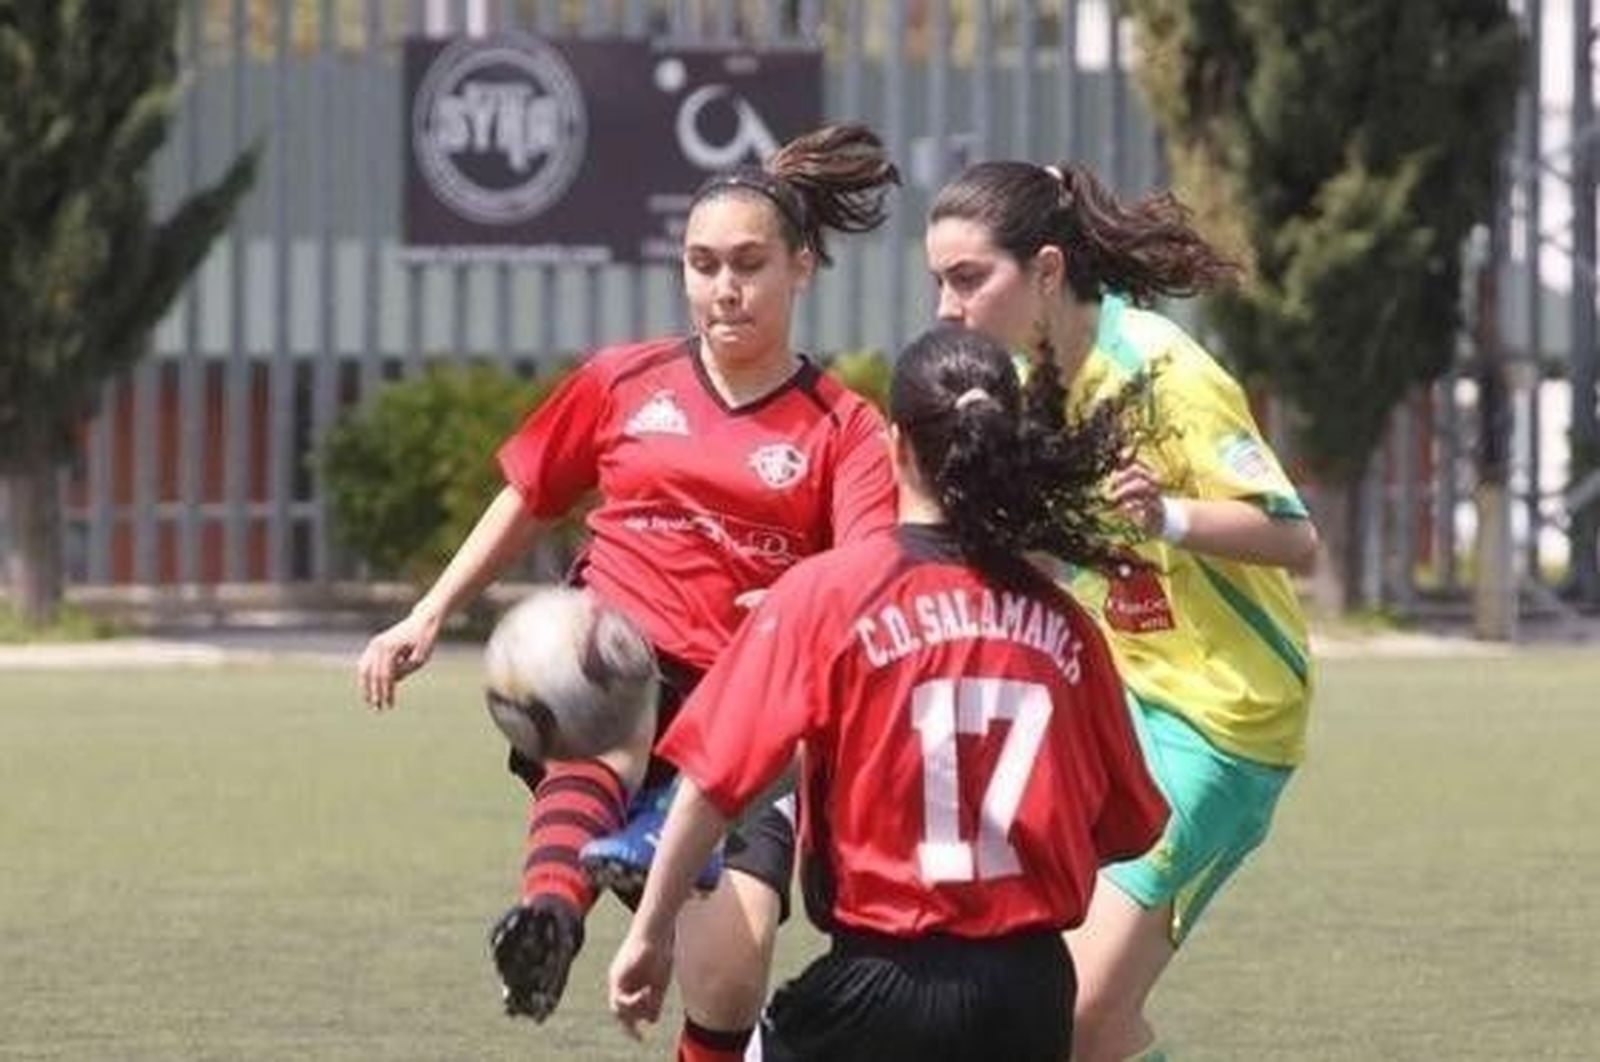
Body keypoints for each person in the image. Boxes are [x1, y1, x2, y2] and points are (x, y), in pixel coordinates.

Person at [355, 124, 902, 1051]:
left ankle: (652, 846)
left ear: (801, 268)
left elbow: (869, 571)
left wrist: (796, 603)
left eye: (748, 264)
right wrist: (428, 611)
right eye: (701, 264)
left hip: (744, 712)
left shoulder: (843, 427)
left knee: (728, 982)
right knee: (599, 696)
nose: (723, 288)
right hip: (614, 666)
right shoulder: (623, 380)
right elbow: (530, 495)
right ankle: (553, 912)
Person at [607, 324, 1170, 1062]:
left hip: (881, 984)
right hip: (1031, 994)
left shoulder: (827, 593)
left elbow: (710, 783)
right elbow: (1129, 826)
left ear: (896, 443)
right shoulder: (1067, 626)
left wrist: (647, 934)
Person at [925, 159, 1320, 1062]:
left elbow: (1296, 539)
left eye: (968, 278)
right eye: (939, 282)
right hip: (1100, 707)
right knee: (1049, 1014)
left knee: (1079, 1015)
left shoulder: (1166, 374)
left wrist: (1165, 516)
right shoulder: (1020, 388)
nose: (947, 306)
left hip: (1220, 718)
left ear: (1050, 271)